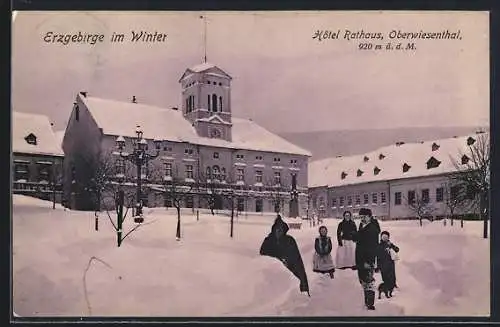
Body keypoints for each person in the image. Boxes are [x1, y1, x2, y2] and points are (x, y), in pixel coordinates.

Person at [260, 215, 310, 296]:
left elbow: (298, 262)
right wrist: (278, 262)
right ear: (274, 230)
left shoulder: (290, 241)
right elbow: (263, 260)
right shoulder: (268, 241)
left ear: (284, 230)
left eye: (281, 230)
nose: (279, 231)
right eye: (277, 229)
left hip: (290, 276)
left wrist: (304, 285)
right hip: (273, 280)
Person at [355, 208, 381, 310]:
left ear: (369, 216)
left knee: (369, 281)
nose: (362, 219)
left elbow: (373, 247)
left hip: (367, 260)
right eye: (360, 217)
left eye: (364, 217)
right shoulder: (363, 225)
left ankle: (370, 304)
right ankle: (367, 301)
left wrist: (369, 262)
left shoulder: (372, 228)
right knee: (363, 280)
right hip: (361, 259)